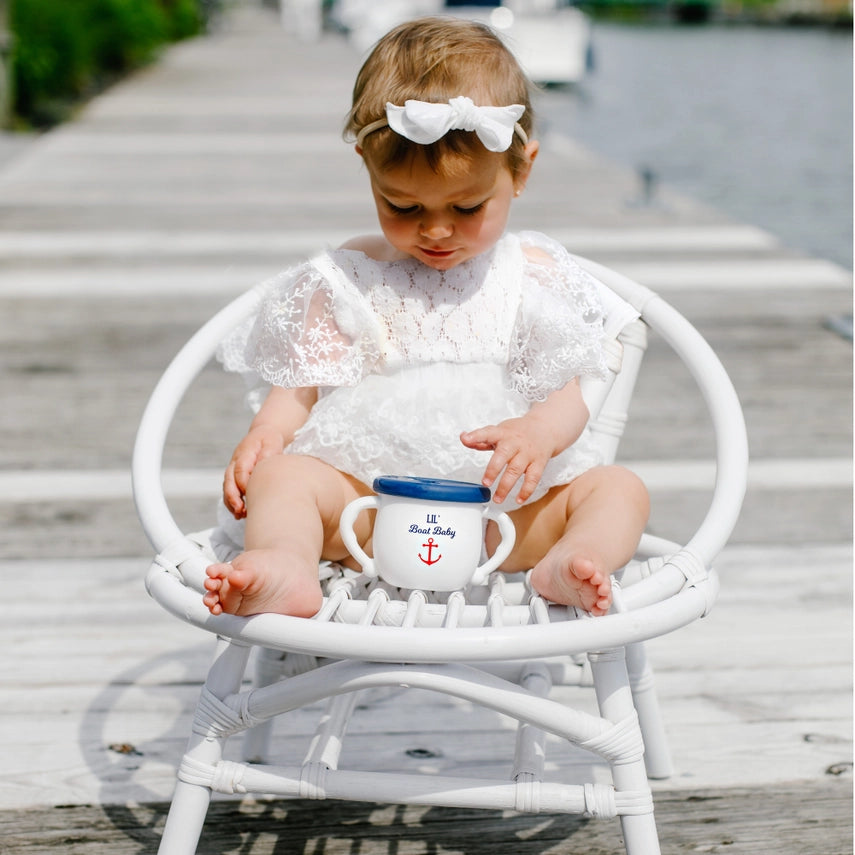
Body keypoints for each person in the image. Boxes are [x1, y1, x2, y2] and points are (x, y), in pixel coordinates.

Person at [203, 16, 649, 619]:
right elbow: (297, 390)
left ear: (521, 171)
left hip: (501, 518)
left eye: (466, 207)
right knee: (282, 479)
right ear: (367, 165)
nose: (436, 230)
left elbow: (575, 388)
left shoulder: (531, 275)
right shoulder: (350, 275)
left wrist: (539, 432)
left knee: (619, 491)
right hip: (368, 509)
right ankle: (286, 563)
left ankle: (570, 562)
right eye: (403, 205)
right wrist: (267, 435)